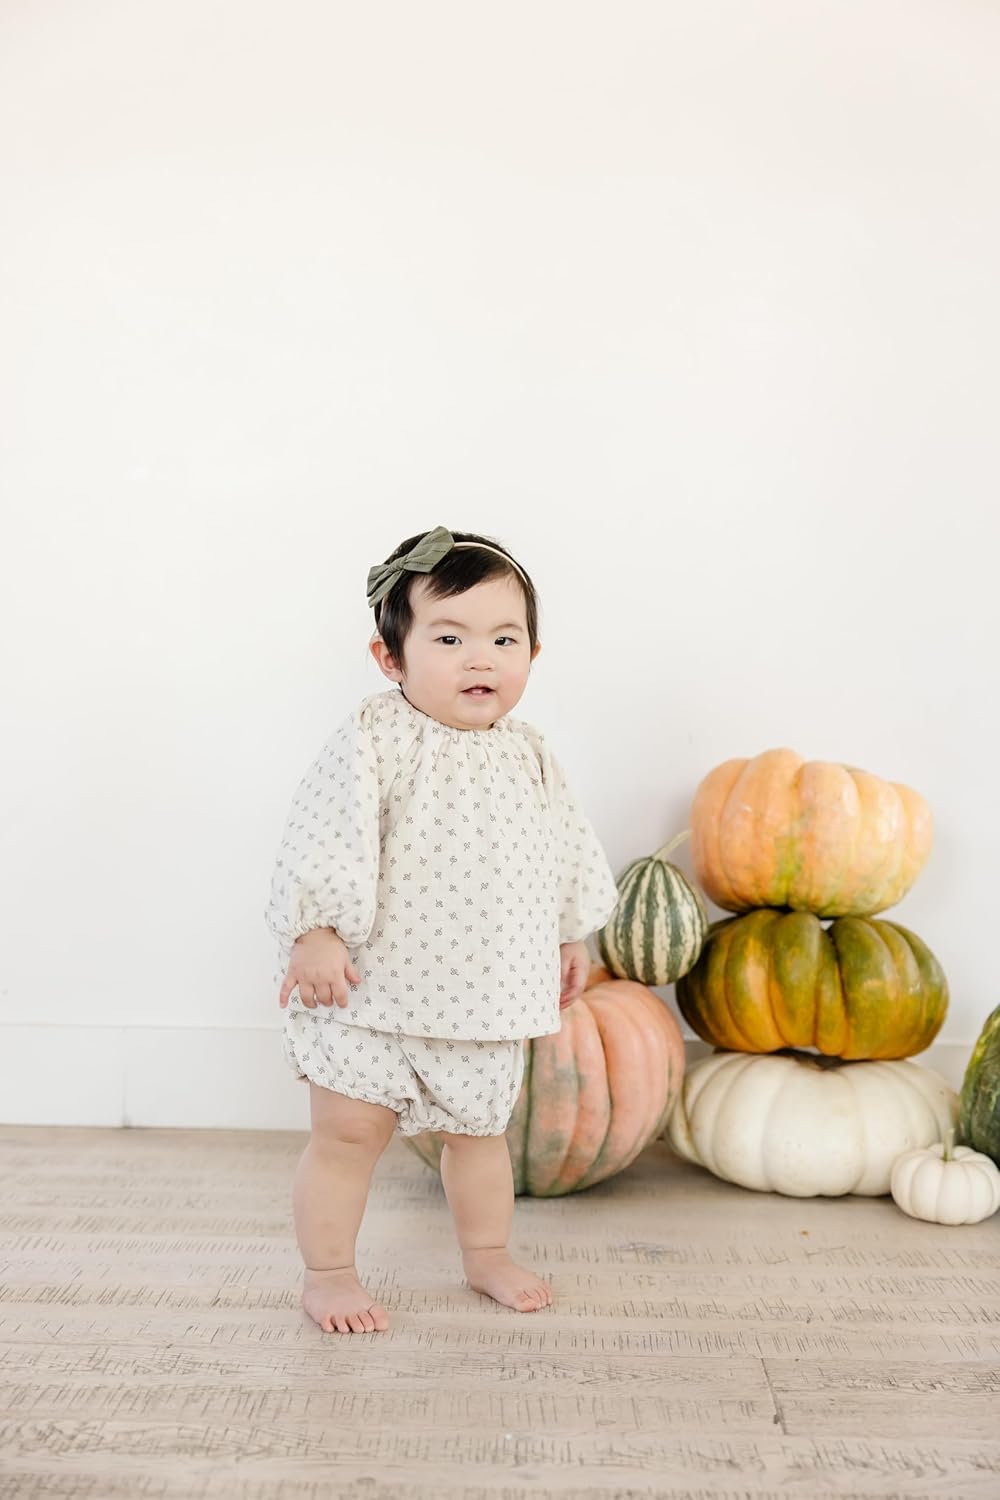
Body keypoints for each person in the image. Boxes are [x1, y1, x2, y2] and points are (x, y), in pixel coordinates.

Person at [264, 525, 618, 1334]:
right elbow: (326, 835)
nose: (479, 659)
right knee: (347, 1135)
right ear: (391, 658)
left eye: (504, 639)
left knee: (479, 1137)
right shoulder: (376, 739)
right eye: (450, 639)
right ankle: (328, 1273)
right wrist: (316, 930)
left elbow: (565, 849)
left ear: (533, 653)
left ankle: (486, 1254)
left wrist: (570, 934)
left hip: (483, 1001)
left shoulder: (530, 755)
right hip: (370, 992)